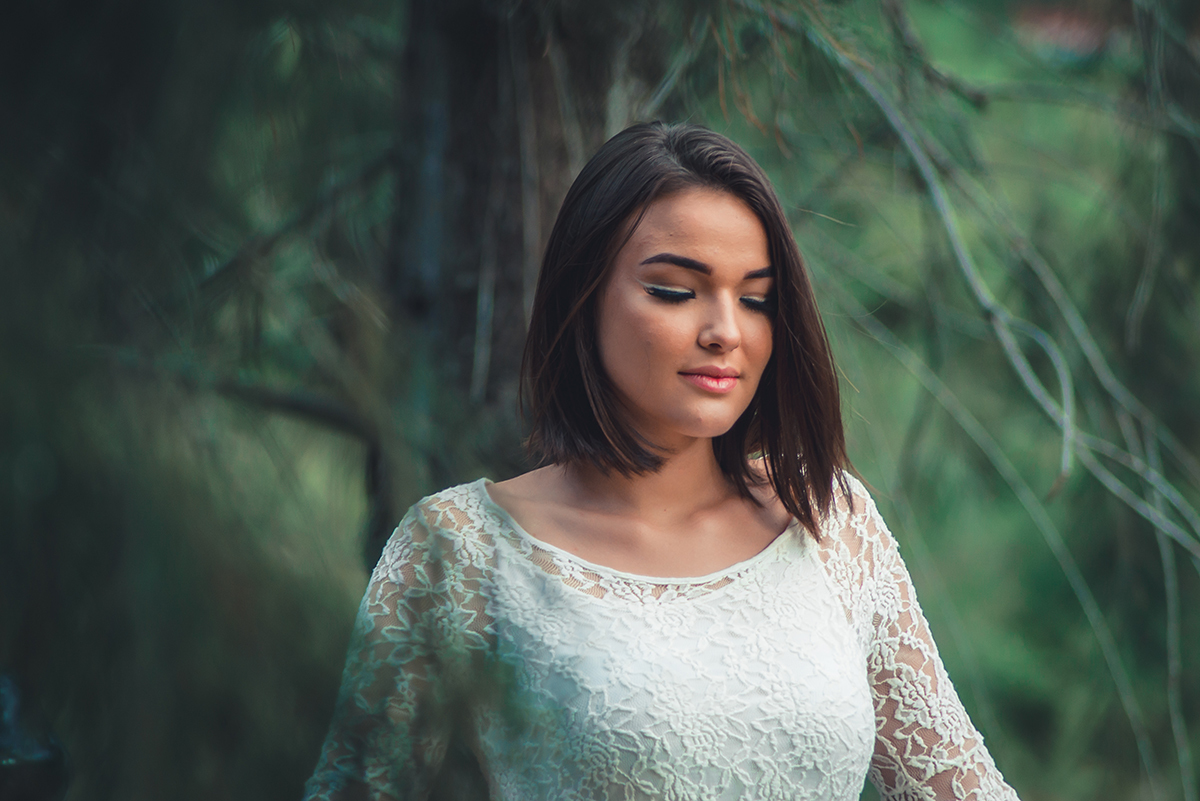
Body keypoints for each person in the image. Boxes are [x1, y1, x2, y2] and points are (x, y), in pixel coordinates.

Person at [303, 122, 1021, 800]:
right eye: (676, 291)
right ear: (581, 299)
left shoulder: (829, 518)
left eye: (758, 299)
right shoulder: (459, 547)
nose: (725, 331)